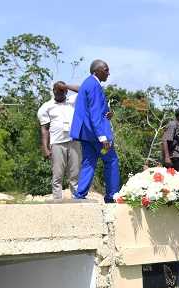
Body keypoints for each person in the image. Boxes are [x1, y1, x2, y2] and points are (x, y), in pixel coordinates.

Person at [70, 59, 119, 202]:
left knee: (89, 162)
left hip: (86, 134)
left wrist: (108, 112)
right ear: (96, 71)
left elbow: (94, 110)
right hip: (96, 134)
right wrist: (102, 137)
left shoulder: (87, 83)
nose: (108, 73)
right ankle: (112, 196)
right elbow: (94, 112)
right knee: (111, 160)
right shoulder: (94, 85)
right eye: (106, 69)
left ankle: (80, 195)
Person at [38, 81, 81, 200]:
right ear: (53, 91)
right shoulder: (46, 107)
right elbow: (44, 129)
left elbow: (82, 90)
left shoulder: (73, 101)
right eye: (57, 90)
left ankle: (76, 199)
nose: (59, 93)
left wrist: (66, 85)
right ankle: (57, 201)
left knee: (75, 174)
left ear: (66, 91)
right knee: (57, 175)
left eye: (62, 90)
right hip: (57, 144)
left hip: (74, 141)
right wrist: (45, 148)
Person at [161, 107, 179, 176]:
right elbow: (165, 140)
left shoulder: (178, 127)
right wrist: (167, 158)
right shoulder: (172, 125)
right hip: (174, 159)